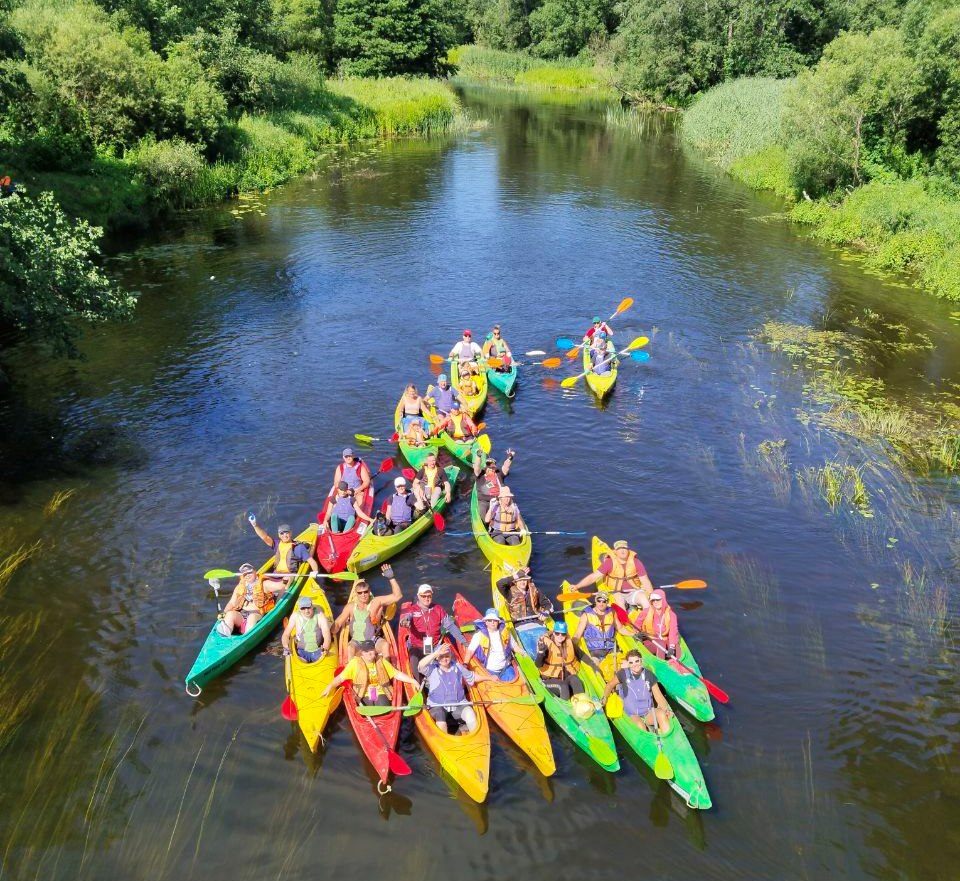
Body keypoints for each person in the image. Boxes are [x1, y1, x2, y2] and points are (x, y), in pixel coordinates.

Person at [419, 642, 495, 733]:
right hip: (437, 705)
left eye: (447, 656)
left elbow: (472, 677)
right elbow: (420, 666)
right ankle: (445, 742)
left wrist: (489, 677)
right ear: (437, 658)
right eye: (441, 656)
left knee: (470, 713)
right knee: (440, 715)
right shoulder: (432, 668)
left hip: (458, 704)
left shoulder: (457, 666)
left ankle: (476, 739)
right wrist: (436, 653)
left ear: (451, 656)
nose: (444, 659)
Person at [332, 564, 403, 658]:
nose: (363, 595)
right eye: (360, 593)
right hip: (356, 642)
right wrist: (329, 633)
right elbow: (338, 623)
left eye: (365, 592)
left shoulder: (377, 601)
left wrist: (391, 577)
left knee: (385, 645)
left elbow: (398, 596)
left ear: (369, 591)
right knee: (350, 648)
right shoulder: (350, 606)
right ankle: (351, 669)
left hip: (373, 640)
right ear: (356, 594)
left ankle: (388, 667)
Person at [399, 584, 468, 679]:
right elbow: (406, 618)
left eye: (429, 596)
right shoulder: (412, 610)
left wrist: (463, 641)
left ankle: (455, 679)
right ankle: (418, 685)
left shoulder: (438, 609)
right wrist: (404, 621)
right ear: (418, 596)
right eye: (424, 596)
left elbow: (450, 626)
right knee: (414, 664)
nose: (426, 598)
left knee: (450, 657)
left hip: (435, 645)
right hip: (417, 647)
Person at [321, 639, 420, 705]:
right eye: (366, 651)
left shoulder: (381, 661)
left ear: (375, 651)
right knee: (369, 709)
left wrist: (413, 681)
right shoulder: (355, 663)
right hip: (363, 693)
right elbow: (340, 678)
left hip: (380, 691)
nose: (369, 653)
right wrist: (330, 687)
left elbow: (396, 673)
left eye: (371, 650)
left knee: (383, 709)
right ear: (362, 653)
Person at [601, 649, 672, 732]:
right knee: (641, 726)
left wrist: (667, 709)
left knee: (661, 715)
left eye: (637, 661)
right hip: (632, 714)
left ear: (641, 661)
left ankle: (668, 738)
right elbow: (610, 685)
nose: (634, 665)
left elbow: (658, 696)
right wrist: (605, 697)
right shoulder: (622, 673)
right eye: (631, 662)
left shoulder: (649, 675)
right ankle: (648, 738)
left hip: (648, 712)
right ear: (628, 663)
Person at [568, 539, 654, 605]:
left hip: (633, 591)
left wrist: (651, 596)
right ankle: (624, 625)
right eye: (619, 549)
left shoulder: (636, 562)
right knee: (621, 607)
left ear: (628, 550)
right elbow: (593, 577)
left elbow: (646, 582)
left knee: (645, 601)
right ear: (615, 552)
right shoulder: (609, 562)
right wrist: (577, 586)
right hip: (616, 592)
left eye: (624, 548)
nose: (622, 551)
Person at [218, 562, 287, 635]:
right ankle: (225, 635)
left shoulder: (264, 584)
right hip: (242, 613)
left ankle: (245, 638)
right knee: (230, 614)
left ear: (255, 572)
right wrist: (224, 613)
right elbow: (232, 603)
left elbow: (281, 587)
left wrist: (286, 580)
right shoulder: (240, 586)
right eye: (245, 574)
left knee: (252, 617)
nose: (247, 575)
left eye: (249, 573)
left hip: (257, 613)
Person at [248, 516, 319, 585]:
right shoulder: (277, 544)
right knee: (257, 580)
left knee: (285, 580)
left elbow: (311, 561)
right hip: (276, 574)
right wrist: (255, 525)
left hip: (289, 576)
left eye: (287, 532)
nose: (284, 535)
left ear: (291, 533)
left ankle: (281, 591)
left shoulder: (299, 547)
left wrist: (315, 571)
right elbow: (264, 537)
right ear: (279, 535)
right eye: (281, 533)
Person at [463, 608, 521, 681]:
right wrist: (465, 664)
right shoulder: (479, 635)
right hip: (488, 670)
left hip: (506, 668)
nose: (492, 622)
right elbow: (470, 651)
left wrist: (522, 652)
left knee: (513, 682)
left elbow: (514, 646)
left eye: (495, 620)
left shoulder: (506, 632)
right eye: (490, 620)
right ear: (486, 622)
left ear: (498, 622)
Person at [572, 592, 632, 662]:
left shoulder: (612, 612)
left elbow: (621, 629)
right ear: (595, 601)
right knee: (596, 667)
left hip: (611, 648)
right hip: (595, 651)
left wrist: (634, 634)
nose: (601, 603)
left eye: (604, 601)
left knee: (625, 664)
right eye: (599, 601)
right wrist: (570, 647)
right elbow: (577, 634)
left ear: (607, 602)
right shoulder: (586, 614)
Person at [535, 621, 586, 699]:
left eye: (563, 634)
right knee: (563, 686)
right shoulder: (546, 644)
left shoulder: (569, 642)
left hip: (566, 678)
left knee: (575, 679)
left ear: (566, 634)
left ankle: (582, 703)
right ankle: (566, 708)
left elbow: (582, 655)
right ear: (554, 633)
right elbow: (538, 664)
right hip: (550, 680)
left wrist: (594, 667)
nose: (560, 636)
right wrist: (541, 652)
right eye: (557, 633)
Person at [630, 588, 680, 661]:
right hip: (649, 640)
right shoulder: (646, 612)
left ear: (663, 599)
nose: (656, 602)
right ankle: (660, 664)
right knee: (661, 644)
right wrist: (638, 633)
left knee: (677, 649)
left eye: (658, 600)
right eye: (653, 600)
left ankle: (675, 662)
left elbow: (673, 631)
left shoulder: (671, 615)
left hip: (665, 639)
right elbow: (636, 625)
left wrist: (672, 647)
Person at [281, 595, 332, 662]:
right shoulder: (295, 617)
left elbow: (327, 636)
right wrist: (286, 647)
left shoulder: (320, 616)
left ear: (312, 606)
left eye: (308, 607)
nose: (306, 611)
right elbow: (286, 635)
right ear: (299, 609)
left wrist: (325, 649)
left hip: (318, 651)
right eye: (303, 608)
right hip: (301, 653)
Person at [473, 449, 514, 518]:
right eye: (488, 467)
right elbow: (477, 466)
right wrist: (478, 456)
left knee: (505, 515)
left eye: (492, 468)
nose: (490, 469)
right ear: (486, 468)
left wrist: (510, 457)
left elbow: (506, 467)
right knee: (483, 517)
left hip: (499, 499)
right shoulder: (480, 474)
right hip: (484, 500)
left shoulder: (499, 474)